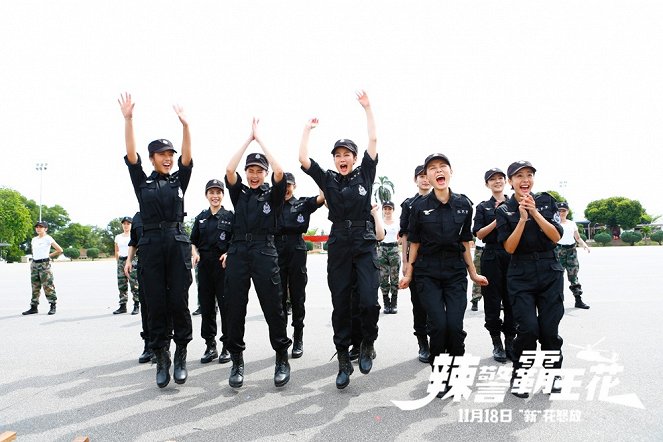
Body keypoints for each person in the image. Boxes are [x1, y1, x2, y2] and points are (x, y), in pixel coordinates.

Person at [299, 90, 380, 389]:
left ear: (355, 158)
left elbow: (373, 141)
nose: (342, 158)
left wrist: (367, 108)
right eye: (338, 155)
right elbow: (303, 159)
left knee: (369, 301)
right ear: (334, 160)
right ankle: (344, 357)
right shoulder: (329, 180)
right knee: (341, 302)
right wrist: (307, 130)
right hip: (339, 242)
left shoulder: (366, 175)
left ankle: (368, 343)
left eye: (347, 154)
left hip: (364, 238)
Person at [119, 92, 193, 389]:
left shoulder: (179, 181)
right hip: (150, 245)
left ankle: (182, 353)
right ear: (152, 158)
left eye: (170, 155)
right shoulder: (143, 182)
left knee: (179, 300)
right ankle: (161, 355)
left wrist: (186, 127)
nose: (168, 158)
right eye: (162, 155)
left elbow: (188, 159)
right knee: (156, 303)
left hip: (176, 243)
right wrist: (128, 119)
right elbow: (130, 155)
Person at [399, 154, 487, 388]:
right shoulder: (418, 207)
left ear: (450, 172)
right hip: (427, 273)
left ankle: (456, 371)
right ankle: (439, 374)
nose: (438, 171)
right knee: (438, 326)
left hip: (455, 272)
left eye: (442, 167)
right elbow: (414, 242)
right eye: (432, 168)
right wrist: (408, 273)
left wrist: (473, 273)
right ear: (426, 175)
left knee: (454, 327)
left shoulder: (463, 204)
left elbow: (465, 241)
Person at [224, 118, 292, 389]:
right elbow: (229, 169)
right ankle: (237, 361)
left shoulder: (272, 195)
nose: (254, 175)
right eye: (250, 170)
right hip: (239, 250)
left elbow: (280, 170)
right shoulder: (238, 193)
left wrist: (261, 139)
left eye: (258, 170)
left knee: (273, 308)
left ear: (264, 173)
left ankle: (281, 357)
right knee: (234, 308)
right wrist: (247, 140)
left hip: (265, 250)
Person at [495, 161, 564, 398]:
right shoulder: (504, 210)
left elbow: (555, 237)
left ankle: (552, 374)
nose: (525, 180)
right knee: (528, 330)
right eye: (519, 176)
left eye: (529, 175)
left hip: (549, 270)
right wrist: (523, 219)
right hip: (520, 273)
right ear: (510, 181)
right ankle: (520, 375)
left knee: (549, 330)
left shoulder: (545, 201)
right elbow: (510, 248)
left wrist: (534, 212)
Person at [275, 172, 324, 359]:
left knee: (297, 297)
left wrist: (318, 176)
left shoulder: (302, 203)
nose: (286, 188)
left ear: (294, 186)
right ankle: (282, 341)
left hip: (296, 250)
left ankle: (298, 339)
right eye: (283, 185)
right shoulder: (272, 204)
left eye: (289, 185)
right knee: (279, 300)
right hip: (277, 250)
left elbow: (322, 197)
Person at [472, 168, 514, 363]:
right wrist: (499, 218)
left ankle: (511, 341)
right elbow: (479, 234)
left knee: (513, 300)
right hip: (491, 255)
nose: (497, 182)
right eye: (492, 179)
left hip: (513, 255)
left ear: (506, 181)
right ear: (487, 184)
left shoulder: (516, 203)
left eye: (500, 178)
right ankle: (496, 341)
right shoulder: (482, 207)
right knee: (492, 300)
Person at [190, 179, 234, 364]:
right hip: (204, 267)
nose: (215, 196)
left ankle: (227, 346)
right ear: (206, 195)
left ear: (223, 195)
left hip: (223, 267)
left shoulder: (230, 216)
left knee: (226, 307)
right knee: (207, 308)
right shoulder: (201, 217)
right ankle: (210, 345)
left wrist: (229, 253)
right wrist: (195, 253)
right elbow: (192, 241)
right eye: (211, 192)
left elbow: (237, 239)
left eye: (218, 192)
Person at [398, 165, 432, 363]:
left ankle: (437, 340)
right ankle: (423, 343)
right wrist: (405, 261)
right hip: (416, 261)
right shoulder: (409, 204)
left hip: (437, 260)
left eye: (426, 175)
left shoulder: (442, 200)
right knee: (418, 304)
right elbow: (405, 235)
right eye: (420, 176)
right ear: (415, 180)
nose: (424, 179)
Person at [124, 212, 159, 364]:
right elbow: (133, 242)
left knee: (161, 308)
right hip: (144, 266)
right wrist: (129, 261)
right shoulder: (137, 217)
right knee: (146, 308)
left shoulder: (163, 212)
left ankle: (162, 346)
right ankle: (148, 345)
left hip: (162, 265)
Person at [22, 221, 63, 315]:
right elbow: (34, 251)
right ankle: (34, 307)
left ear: (46, 229)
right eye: (37, 227)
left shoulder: (48, 238)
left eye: (41, 227)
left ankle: (53, 305)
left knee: (48, 285)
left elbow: (60, 250)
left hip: (44, 264)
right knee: (35, 286)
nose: (38, 228)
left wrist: (48, 256)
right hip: (34, 264)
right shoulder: (34, 239)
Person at [555, 201, 590, 309]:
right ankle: (556, 303)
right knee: (557, 277)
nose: (561, 213)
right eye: (559, 211)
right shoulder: (554, 224)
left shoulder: (571, 223)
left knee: (573, 275)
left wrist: (584, 245)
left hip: (571, 251)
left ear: (567, 211)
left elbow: (577, 237)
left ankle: (578, 300)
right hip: (558, 250)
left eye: (564, 211)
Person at [114, 216, 140, 315]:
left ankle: (136, 305)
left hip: (132, 260)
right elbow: (116, 251)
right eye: (124, 224)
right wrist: (119, 262)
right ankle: (122, 306)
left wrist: (131, 261)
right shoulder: (118, 237)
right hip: (121, 261)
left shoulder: (133, 236)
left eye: (128, 224)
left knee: (134, 284)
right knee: (121, 284)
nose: (126, 226)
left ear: (131, 225)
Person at [378, 201, 400, 314]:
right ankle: (386, 303)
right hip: (382, 249)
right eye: (385, 209)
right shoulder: (380, 222)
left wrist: (398, 243)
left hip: (394, 249)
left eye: (389, 209)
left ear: (393, 210)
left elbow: (401, 236)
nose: (387, 211)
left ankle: (394, 303)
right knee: (383, 278)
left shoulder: (397, 222)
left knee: (395, 277)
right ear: (382, 210)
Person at [469, 238, 484, 311]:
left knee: (495, 275)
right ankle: (475, 299)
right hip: (480, 248)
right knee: (477, 275)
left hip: (496, 247)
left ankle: (498, 299)